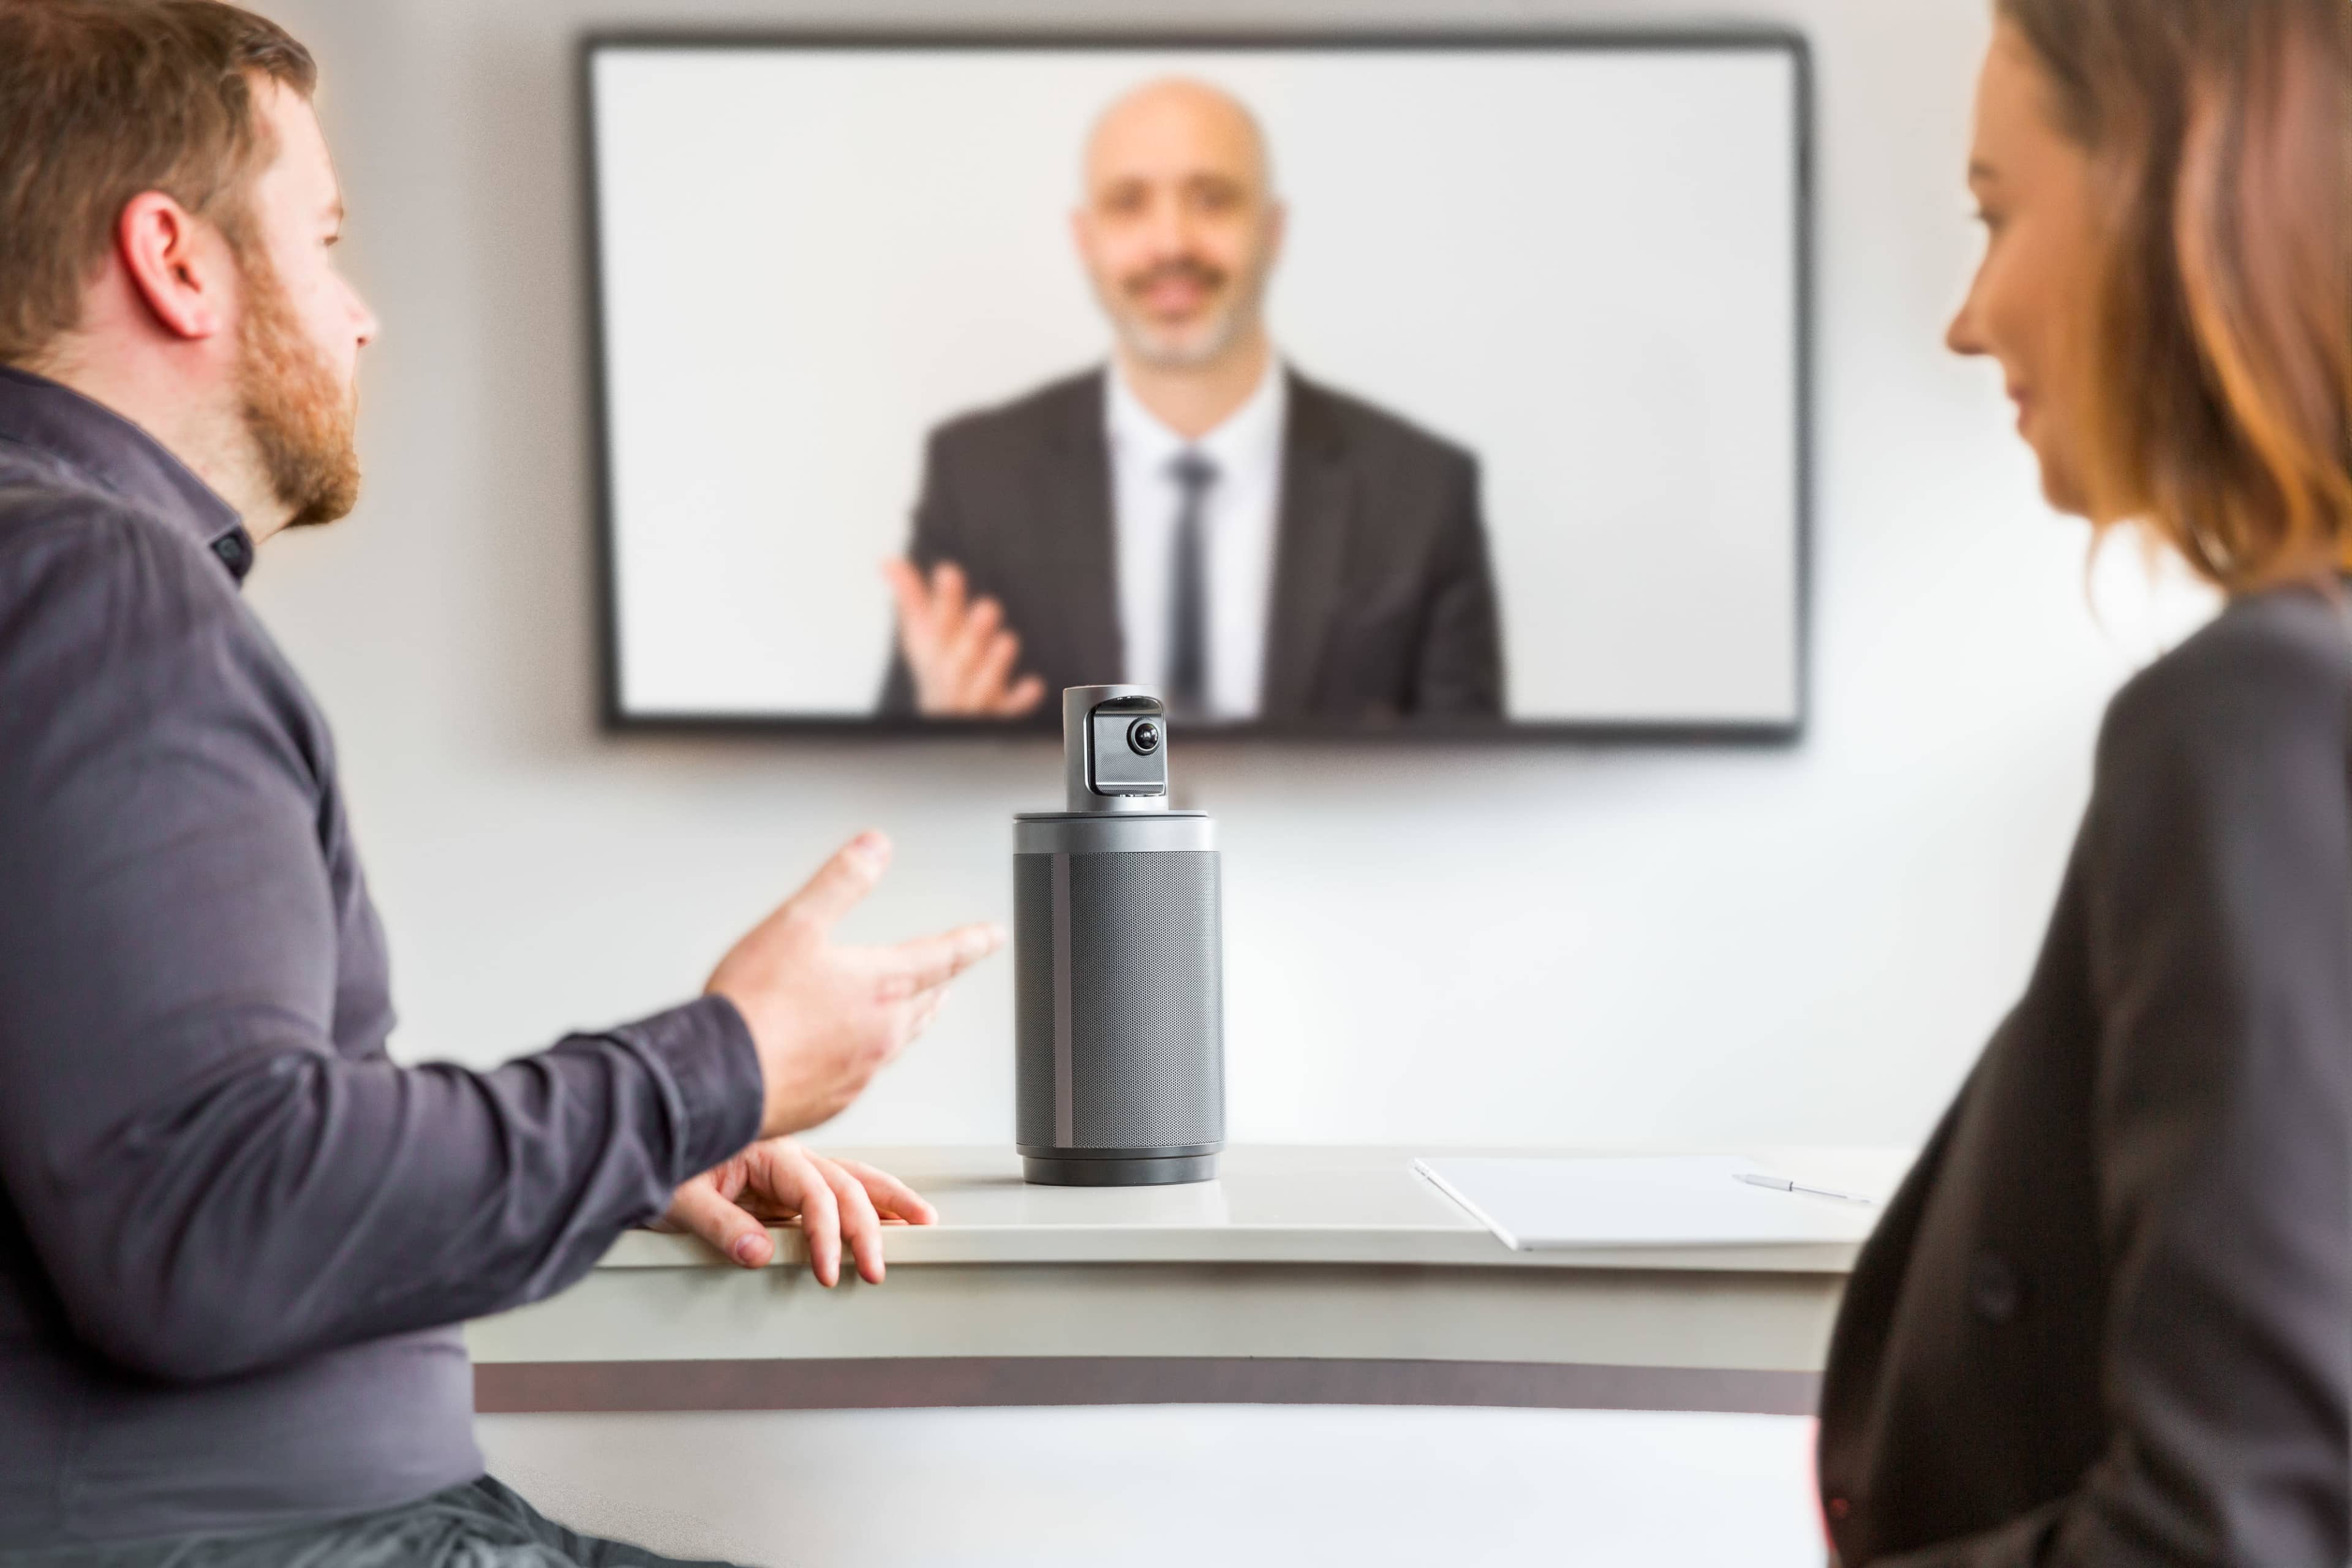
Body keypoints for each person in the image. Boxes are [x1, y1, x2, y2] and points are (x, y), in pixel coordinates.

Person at [0, 4, 1001, 1562]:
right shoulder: (94, 587)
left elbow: (151, 1131)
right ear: (172, 259)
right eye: (321, 239)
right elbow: (208, 1223)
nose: (358, 315)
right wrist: (717, 1066)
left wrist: (615, 1151)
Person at [1815, 2, 2351, 1562]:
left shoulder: (2253, 718)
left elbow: (2232, 1528)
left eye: (1995, 216)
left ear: (2175, 200)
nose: (1966, 319)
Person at [878, 77, 1506, 726]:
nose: (1172, 243)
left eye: (1212, 199)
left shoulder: (1424, 494)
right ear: (1085, 239)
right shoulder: (977, 480)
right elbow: (891, 794)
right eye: (1129, 203)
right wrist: (939, 753)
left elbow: (1477, 805)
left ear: (1272, 230)